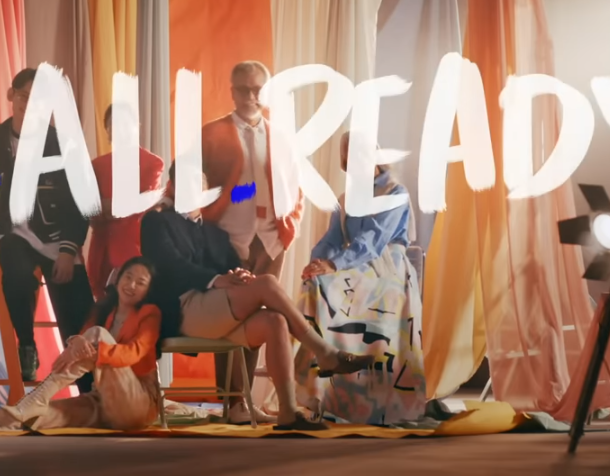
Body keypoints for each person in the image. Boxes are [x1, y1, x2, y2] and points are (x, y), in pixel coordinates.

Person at [141, 162, 374, 431]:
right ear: (173, 186)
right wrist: (217, 279)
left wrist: (238, 274)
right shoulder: (156, 220)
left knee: (275, 321)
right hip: (183, 309)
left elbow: (230, 266)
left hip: (216, 312)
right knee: (267, 284)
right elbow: (169, 265)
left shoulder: (214, 232)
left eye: (199, 183)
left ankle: (288, 412)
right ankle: (324, 352)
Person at [0, 67, 93, 385]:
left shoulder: (63, 144)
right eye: (24, 96)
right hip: (13, 235)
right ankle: (26, 346)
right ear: (11, 96)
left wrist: (68, 250)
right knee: (14, 269)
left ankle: (89, 388)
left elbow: (82, 202)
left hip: (57, 240)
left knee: (77, 308)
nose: (29, 105)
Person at [0, 257, 165, 432]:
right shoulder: (104, 310)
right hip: (104, 403)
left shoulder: (150, 313)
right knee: (34, 417)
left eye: (140, 282)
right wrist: (76, 342)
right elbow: (82, 337)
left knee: (98, 334)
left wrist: (93, 349)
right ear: (118, 279)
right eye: (128, 277)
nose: (131, 285)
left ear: (148, 290)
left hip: (138, 404)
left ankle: (38, 395)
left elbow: (132, 353)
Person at [294, 133, 426, 426]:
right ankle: (319, 386)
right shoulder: (346, 199)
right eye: (348, 156)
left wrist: (334, 263)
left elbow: (373, 239)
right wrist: (316, 263)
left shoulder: (395, 191)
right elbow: (332, 239)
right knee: (315, 285)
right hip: (354, 265)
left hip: (388, 269)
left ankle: (371, 395)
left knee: (337, 288)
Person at [199, 61, 302, 279]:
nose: (251, 97)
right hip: (225, 241)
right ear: (232, 93)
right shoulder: (210, 134)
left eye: (258, 90)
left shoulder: (282, 138)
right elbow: (184, 178)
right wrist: (166, 201)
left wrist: (290, 226)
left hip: (272, 243)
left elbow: (296, 188)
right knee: (228, 301)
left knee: (269, 299)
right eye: (243, 90)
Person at [88, 103, 165, 300]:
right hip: (102, 246)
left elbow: (142, 204)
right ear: (107, 131)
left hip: (132, 246)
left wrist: (106, 206)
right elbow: (90, 211)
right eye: (113, 124)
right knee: (102, 306)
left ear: (136, 126)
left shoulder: (152, 163)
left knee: (132, 302)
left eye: (124, 123)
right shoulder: (97, 166)